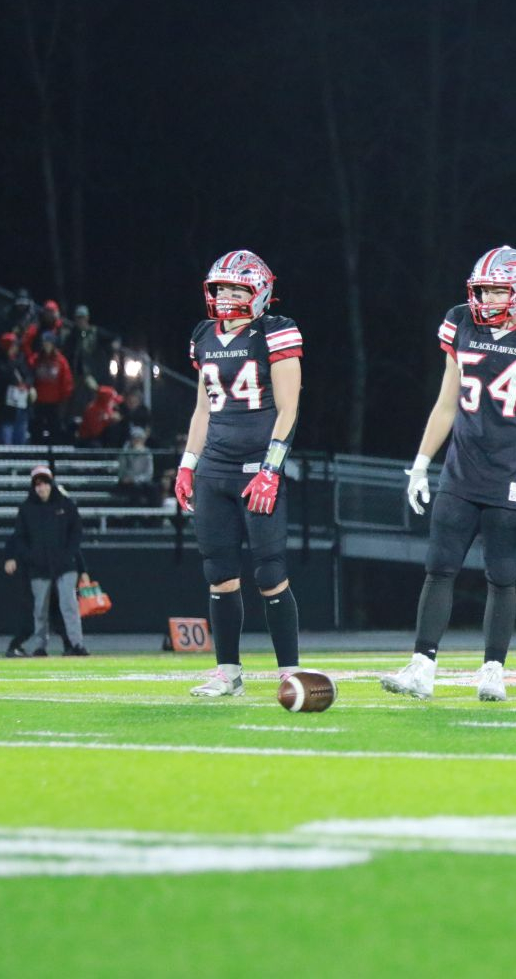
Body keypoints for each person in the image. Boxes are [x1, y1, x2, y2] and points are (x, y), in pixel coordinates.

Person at [380, 246, 516, 702]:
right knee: (438, 568)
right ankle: (422, 666)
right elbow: (446, 403)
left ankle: (493, 670)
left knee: (501, 575)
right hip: (461, 470)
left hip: (510, 473)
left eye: (498, 290)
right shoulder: (461, 323)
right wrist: (421, 465)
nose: (487, 299)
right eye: (483, 290)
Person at [176, 250, 304, 697]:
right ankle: (228, 672)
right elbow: (202, 409)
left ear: (260, 292)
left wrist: (271, 468)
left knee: (270, 573)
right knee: (219, 572)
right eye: (222, 288)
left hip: (256, 468)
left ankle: (289, 671)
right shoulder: (203, 335)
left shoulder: (274, 331)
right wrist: (187, 463)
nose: (227, 296)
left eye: (237, 288)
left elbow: (289, 407)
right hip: (215, 467)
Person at [3, 466, 89, 657]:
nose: (41, 488)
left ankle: (77, 644)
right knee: (40, 609)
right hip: (39, 567)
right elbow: (19, 537)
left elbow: (76, 533)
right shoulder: (26, 509)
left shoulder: (66, 505)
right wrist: (31, 557)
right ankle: (40, 646)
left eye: (44, 484)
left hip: (65, 565)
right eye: (38, 485)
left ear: (51, 484)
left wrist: (71, 558)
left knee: (69, 605)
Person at [29, 332, 74, 444]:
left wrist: (64, 399)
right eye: (45, 343)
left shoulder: (61, 361)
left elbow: (66, 381)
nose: (47, 345)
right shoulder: (36, 359)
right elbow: (30, 375)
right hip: (38, 401)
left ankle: (54, 452)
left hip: (55, 402)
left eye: (49, 343)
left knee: (55, 429)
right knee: (37, 428)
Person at [63, 305, 106, 420]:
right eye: (78, 318)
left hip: (90, 374)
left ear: (87, 318)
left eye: (83, 317)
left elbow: (110, 338)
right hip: (75, 374)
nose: (80, 320)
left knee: (91, 399)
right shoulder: (72, 335)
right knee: (74, 403)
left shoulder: (94, 332)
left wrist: (115, 343)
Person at [0, 332, 33, 445]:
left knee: (21, 435)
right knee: (6, 438)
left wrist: (26, 385)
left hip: (21, 405)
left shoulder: (20, 359)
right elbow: (4, 376)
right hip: (5, 409)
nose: (16, 348)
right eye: (13, 345)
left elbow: (28, 375)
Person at [116, 427, 157, 506]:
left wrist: (137, 479)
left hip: (141, 480)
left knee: (153, 488)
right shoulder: (125, 453)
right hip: (127, 482)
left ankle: (154, 511)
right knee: (136, 488)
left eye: (140, 439)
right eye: (135, 438)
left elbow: (149, 473)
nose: (137, 441)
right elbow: (123, 471)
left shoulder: (147, 453)